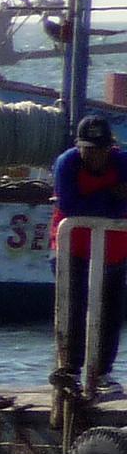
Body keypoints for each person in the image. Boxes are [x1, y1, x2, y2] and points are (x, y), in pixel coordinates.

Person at [52, 113, 127, 394]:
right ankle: (69, 369)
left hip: (114, 249)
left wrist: (101, 202)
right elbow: (71, 207)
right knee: (72, 306)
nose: (96, 156)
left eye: (102, 150)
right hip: (73, 246)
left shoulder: (123, 163)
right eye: (89, 150)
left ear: (111, 148)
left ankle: (103, 372)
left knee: (111, 310)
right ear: (79, 147)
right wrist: (112, 195)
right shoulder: (67, 164)